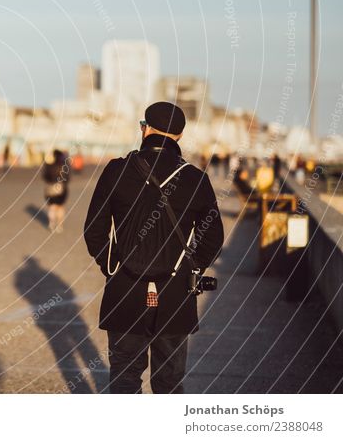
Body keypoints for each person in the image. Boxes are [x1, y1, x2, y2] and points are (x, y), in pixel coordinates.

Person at [83, 102, 224, 393]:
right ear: (180, 136)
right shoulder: (196, 178)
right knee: (169, 382)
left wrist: (112, 265)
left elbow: (94, 230)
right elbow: (213, 238)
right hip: (176, 293)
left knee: (124, 376)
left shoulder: (117, 170)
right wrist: (190, 268)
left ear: (145, 128)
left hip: (125, 288)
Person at [43, 149, 70, 233]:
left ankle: (51, 224)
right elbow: (67, 178)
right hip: (62, 188)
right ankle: (59, 226)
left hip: (50, 188)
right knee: (60, 207)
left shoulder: (48, 166)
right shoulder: (65, 165)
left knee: (51, 207)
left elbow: (45, 177)